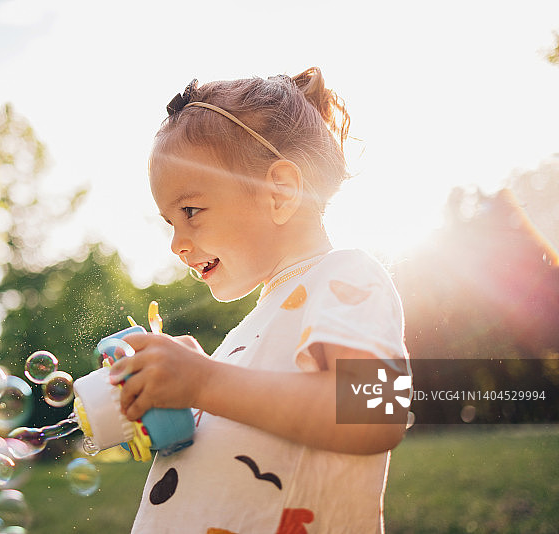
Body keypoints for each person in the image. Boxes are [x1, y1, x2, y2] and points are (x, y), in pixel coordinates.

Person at [107, 68, 410, 533]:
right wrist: (186, 399)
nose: (176, 244)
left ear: (280, 191)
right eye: (170, 222)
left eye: (190, 211)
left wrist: (202, 380)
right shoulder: (256, 323)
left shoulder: (347, 275)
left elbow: (375, 415)